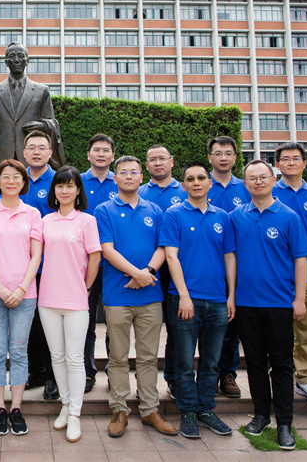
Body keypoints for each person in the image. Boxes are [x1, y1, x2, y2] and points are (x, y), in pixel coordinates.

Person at [96, 156, 178, 438]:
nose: (129, 176)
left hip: (150, 296)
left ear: (141, 177)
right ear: (115, 178)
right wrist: (136, 273)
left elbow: (163, 247)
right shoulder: (104, 210)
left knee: (148, 357)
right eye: (123, 172)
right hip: (117, 296)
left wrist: (148, 272)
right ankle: (119, 409)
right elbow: (107, 249)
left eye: (134, 172)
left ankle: (149, 409)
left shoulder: (155, 210)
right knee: (118, 357)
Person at [231, 160, 307, 451]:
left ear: (273, 179)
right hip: (246, 303)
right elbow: (230, 258)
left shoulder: (289, 217)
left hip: (279, 303)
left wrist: (299, 299)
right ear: (245, 183)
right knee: (254, 362)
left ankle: (285, 422)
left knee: (281, 364)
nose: (258, 182)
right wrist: (231, 296)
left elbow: (301, 260)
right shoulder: (236, 217)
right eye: (252, 178)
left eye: (263, 177)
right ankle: (261, 415)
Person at [159, 161, 236, 439]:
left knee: (211, 361)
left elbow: (229, 256)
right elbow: (171, 256)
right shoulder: (174, 214)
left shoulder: (223, 217)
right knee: (183, 361)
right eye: (190, 179)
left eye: (201, 178)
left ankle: (206, 410)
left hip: (217, 300)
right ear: (183, 185)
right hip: (184, 300)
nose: (196, 183)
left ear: (209, 182)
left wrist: (231, 295)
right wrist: (184, 295)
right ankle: (188, 411)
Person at [0, 159, 44, 436]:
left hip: (25, 295)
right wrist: (1, 289)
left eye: (17, 176)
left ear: (23, 182)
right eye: (6, 176)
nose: (11, 181)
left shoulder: (33, 214)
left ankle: (16, 407)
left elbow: (36, 255)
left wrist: (22, 289)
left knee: (18, 350)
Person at [38, 166, 101, 443]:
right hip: (47, 299)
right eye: (60, 185)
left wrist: (85, 287)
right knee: (57, 356)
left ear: (78, 190)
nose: (64, 190)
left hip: (76, 299)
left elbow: (95, 258)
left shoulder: (87, 221)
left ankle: (75, 413)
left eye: (70, 185)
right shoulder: (45, 221)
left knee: (75, 357)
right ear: (54, 190)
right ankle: (65, 405)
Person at [272, 142, 307, 406]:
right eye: (285, 159)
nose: (291, 162)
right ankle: (279, 378)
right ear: (278, 165)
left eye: (296, 158)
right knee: (277, 331)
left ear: (304, 163)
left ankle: (305, 378)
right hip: (276, 274)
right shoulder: (270, 192)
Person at [138, 143, 188, 399]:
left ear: (171, 161)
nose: (157, 163)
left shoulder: (185, 190)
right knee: (144, 327)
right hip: (145, 269)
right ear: (146, 165)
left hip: (177, 267)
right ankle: (140, 381)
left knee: (176, 328)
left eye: (162, 158)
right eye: (152, 159)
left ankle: (174, 378)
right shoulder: (139, 191)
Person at [206, 135, 251, 399]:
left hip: (237, 265)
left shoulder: (246, 188)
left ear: (235, 157)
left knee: (231, 324)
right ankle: (208, 374)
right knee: (205, 325)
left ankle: (228, 373)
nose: (223, 158)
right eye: (218, 153)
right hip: (207, 266)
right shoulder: (201, 184)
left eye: (228, 153)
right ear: (209, 157)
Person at [0, 41, 65, 169]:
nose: (17, 60)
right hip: (1, 155)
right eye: (12, 56)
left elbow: (52, 122)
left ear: (27, 60)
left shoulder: (42, 91)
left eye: (20, 55)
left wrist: (42, 125)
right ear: (6, 62)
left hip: (30, 154)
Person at [20, 130, 59, 400]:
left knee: (49, 323)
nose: (36, 152)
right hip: (20, 264)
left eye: (41, 147)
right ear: (24, 153)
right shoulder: (16, 178)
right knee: (29, 322)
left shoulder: (59, 180)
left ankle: (52, 375)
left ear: (50, 152)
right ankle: (34, 370)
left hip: (50, 264)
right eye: (31, 147)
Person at [82, 134, 118, 393]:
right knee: (86, 321)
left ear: (113, 156)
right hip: (86, 264)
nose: (101, 154)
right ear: (88, 155)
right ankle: (87, 371)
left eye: (106, 150)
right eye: (97, 150)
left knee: (116, 322)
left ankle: (115, 371)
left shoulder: (121, 181)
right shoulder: (78, 182)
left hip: (115, 265)